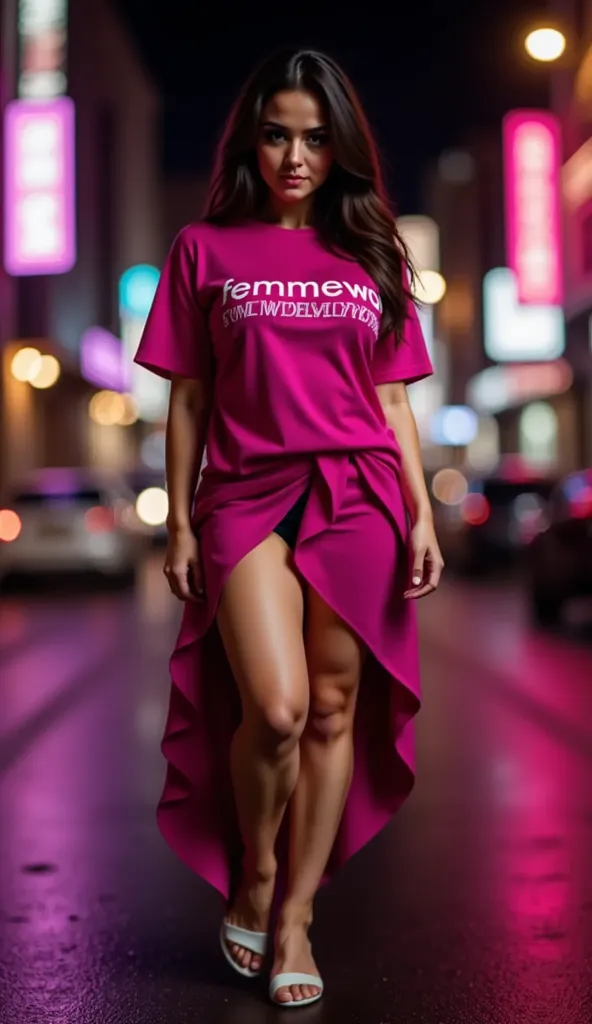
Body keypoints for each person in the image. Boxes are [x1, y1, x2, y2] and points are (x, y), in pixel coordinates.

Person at [134, 47, 444, 1009]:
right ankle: (256, 873)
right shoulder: (204, 249)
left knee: (334, 708)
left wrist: (422, 510)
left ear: (339, 146)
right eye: (277, 135)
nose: (295, 157)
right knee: (274, 706)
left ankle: (298, 915)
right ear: (251, 142)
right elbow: (189, 397)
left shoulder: (373, 249)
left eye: (315, 138)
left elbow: (390, 402)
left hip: (360, 491)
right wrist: (184, 523)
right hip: (241, 493)